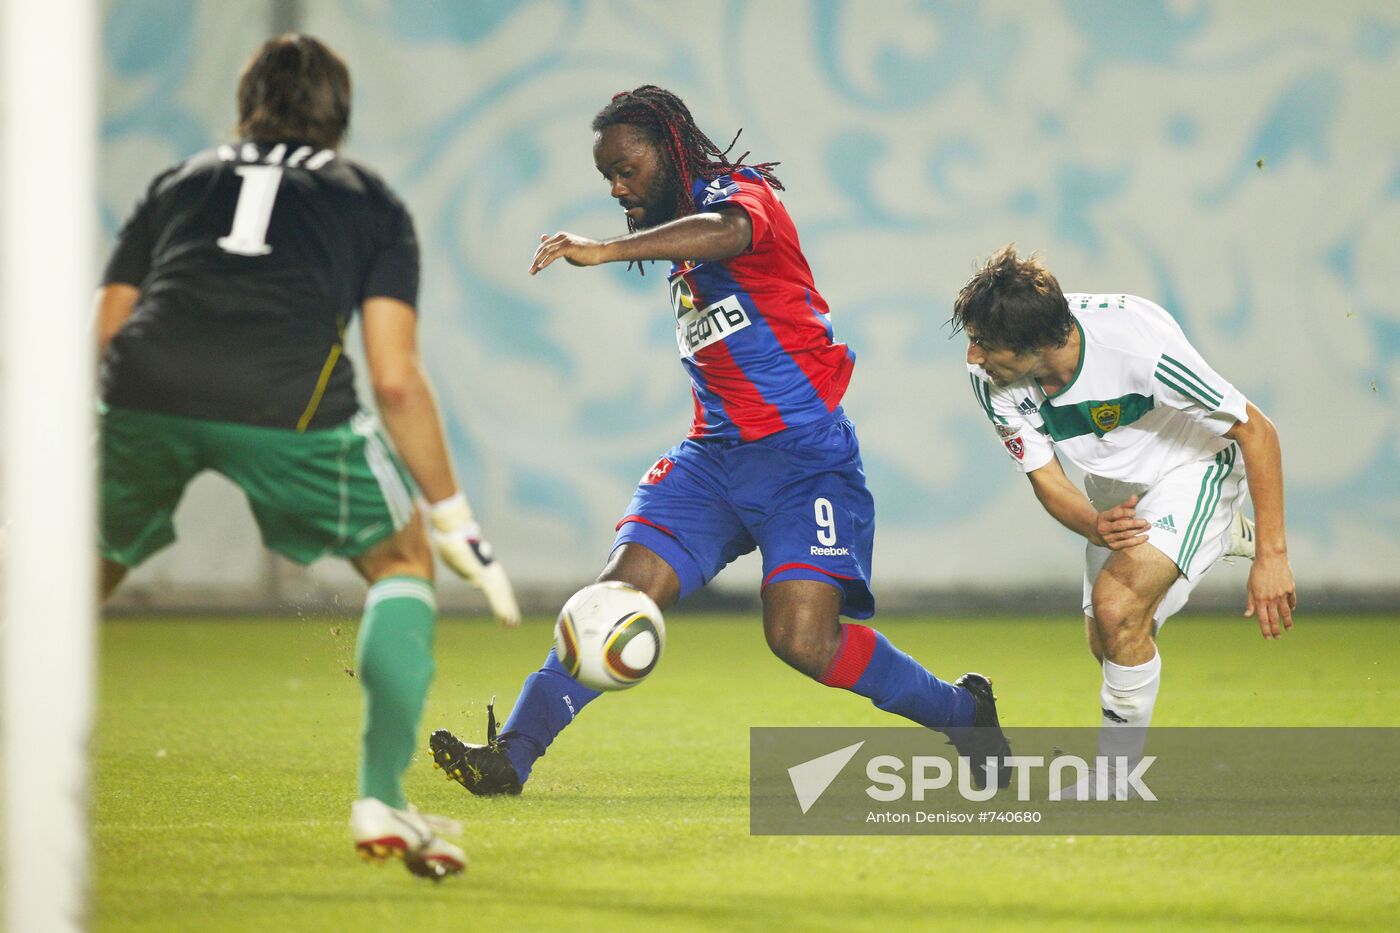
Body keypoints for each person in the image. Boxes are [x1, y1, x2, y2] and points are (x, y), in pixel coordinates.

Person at [429, 84, 1011, 796]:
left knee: (802, 639)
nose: (617, 187)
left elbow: (730, 232)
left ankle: (962, 710)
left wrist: (607, 249)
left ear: (669, 151)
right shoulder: (682, 251)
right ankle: (510, 757)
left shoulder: (742, 195)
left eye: (626, 169)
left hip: (805, 462)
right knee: (616, 596)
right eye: (607, 177)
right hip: (712, 464)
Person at [97, 35, 521, 877]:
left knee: (65, 590)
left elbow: (107, 329)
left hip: (144, 383)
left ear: (244, 103)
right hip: (287, 398)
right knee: (400, 561)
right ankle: (379, 797)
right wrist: (452, 517)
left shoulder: (178, 181)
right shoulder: (369, 200)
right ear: (342, 116)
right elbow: (396, 382)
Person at [952, 244, 1295, 799]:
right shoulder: (992, 376)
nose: (972, 356)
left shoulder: (1138, 346)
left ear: (1037, 346)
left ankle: (1114, 781)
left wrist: (1275, 558)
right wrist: (1093, 524)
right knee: (1110, 639)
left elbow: (1257, 431)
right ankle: (1217, 535)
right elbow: (1048, 477)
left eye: (984, 345)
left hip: (1193, 468)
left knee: (1118, 608)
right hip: (1115, 492)